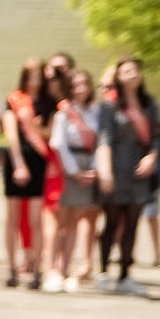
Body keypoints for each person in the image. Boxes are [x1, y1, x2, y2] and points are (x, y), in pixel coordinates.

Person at [96, 57, 157, 293]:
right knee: (111, 222)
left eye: (135, 71)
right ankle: (103, 272)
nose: (132, 75)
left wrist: (151, 157)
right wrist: (105, 171)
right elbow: (104, 138)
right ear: (118, 77)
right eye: (126, 72)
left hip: (139, 170)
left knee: (132, 224)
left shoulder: (149, 103)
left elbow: (157, 136)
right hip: (116, 166)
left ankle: (125, 275)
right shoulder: (110, 105)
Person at [50, 66, 103, 291]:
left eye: (84, 84)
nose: (81, 89)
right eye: (75, 85)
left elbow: (101, 141)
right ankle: (54, 269)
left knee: (75, 221)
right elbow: (58, 144)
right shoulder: (64, 113)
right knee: (61, 221)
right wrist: (74, 171)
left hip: (89, 167)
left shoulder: (95, 112)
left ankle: (66, 269)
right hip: (68, 169)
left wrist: (94, 169)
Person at [3, 60, 53, 288]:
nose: (35, 80)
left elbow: (49, 133)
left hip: (39, 161)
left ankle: (36, 268)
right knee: (12, 218)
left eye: (38, 75)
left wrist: (35, 126)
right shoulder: (14, 99)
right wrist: (18, 163)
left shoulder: (48, 103)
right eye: (30, 75)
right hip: (17, 160)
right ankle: (11, 268)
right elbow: (11, 133)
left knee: (35, 220)